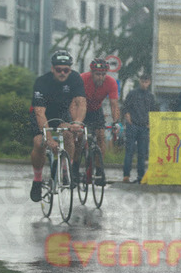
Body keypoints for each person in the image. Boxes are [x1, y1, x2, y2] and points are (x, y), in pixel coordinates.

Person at [29, 50, 86, 202]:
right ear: (52, 69)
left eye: (66, 70)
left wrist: (77, 122)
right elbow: (40, 113)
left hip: (61, 113)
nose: (62, 73)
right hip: (42, 114)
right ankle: (37, 180)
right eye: (59, 69)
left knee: (69, 134)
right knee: (39, 143)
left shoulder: (75, 79)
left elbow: (81, 102)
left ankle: (66, 170)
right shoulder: (42, 82)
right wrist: (48, 139)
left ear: (70, 70)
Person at [79, 58, 120, 186]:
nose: (101, 77)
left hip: (96, 110)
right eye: (97, 74)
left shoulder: (111, 82)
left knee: (101, 136)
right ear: (91, 73)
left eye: (103, 74)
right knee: (79, 136)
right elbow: (74, 101)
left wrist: (116, 122)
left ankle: (99, 169)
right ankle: (75, 167)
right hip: (81, 109)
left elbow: (114, 104)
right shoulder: (82, 79)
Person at [122, 73, 157, 183]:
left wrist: (150, 123)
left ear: (149, 82)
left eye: (146, 82)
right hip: (133, 125)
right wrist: (127, 117)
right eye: (142, 81)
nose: (144, 84)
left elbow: (154, 111)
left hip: (144, 127)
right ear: (139, 81)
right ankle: (126, 176)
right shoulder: (132, 93)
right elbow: (125, 107)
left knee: (142, 153)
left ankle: (141, 176)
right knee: (129, 151)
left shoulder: (151, 96)